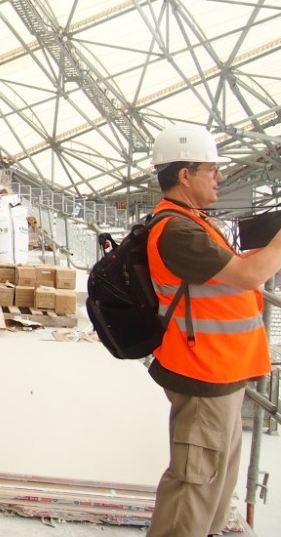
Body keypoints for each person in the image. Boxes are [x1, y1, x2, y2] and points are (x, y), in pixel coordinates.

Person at [145, 123, 281, 537]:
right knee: (192, 491)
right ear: (185, 175)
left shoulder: (194, 221)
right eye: (212, 169)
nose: (219, 177)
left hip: (223, 372)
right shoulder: (178, 230)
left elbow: (232, 273)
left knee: (215, 489)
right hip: (204, 374)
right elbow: (249, 275)